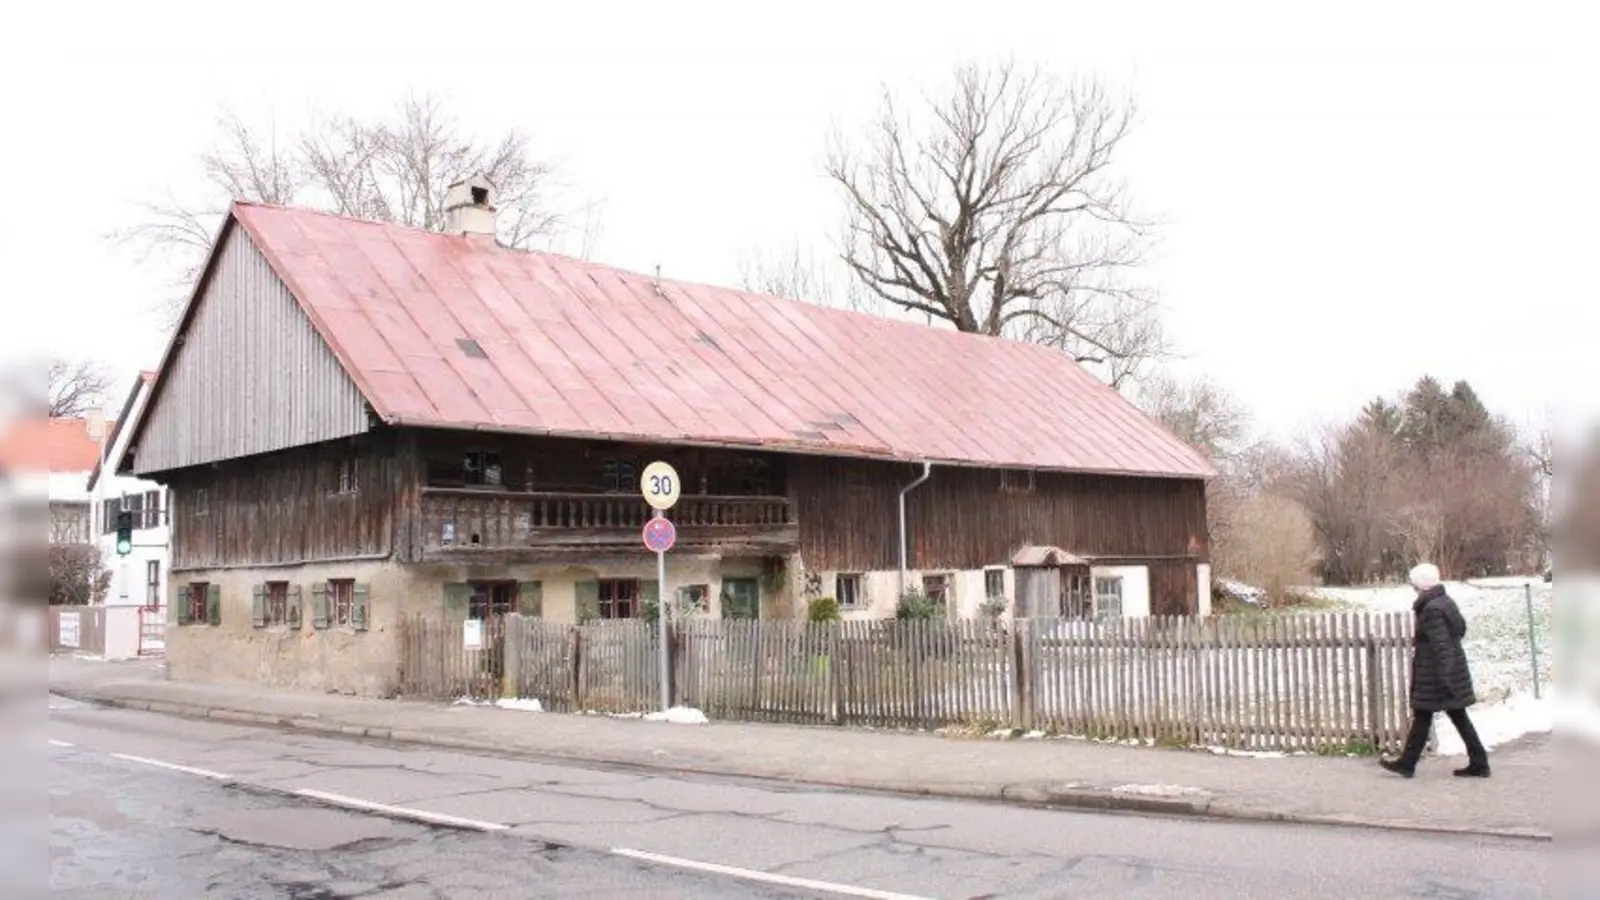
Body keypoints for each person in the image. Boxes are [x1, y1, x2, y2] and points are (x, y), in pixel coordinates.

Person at [1380, 563, 1490, 778]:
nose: (1413, 589)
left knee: (1428, 715)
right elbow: (1459, 630)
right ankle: (1478, 761)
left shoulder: (1431, 609)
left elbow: (1442, 647)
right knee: (1448, 716)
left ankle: (1408, 763)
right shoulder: (1444, 602)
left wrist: (1446, 680)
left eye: (1414, 585)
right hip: (1443, 673)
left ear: (1421, 586)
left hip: (1436, 676)